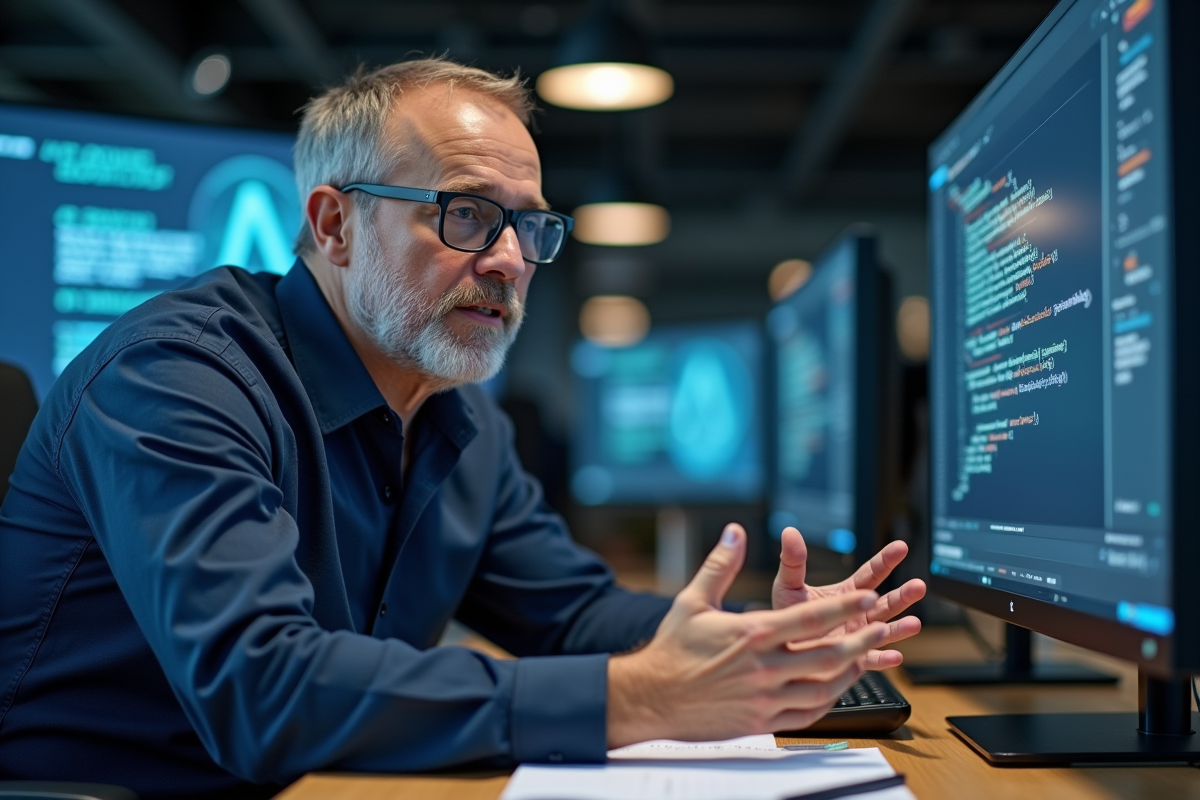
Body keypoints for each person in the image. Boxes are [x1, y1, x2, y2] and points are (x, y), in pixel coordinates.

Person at [0, 58, 925, 799]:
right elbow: (262, 689)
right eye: (470, 215)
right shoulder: (176, 378)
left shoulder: (458, 413)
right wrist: (639, 696)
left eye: (530, 227)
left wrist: (754, 643)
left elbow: (571, 616)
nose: (512, 260)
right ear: (335, 225)